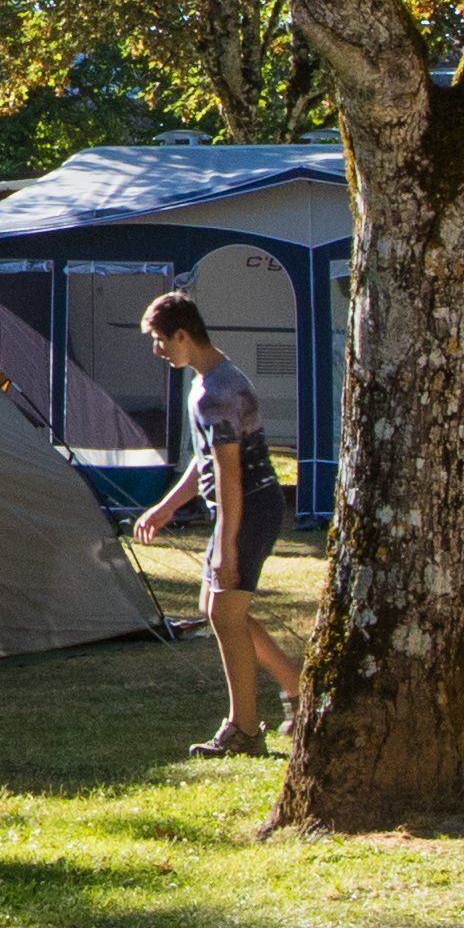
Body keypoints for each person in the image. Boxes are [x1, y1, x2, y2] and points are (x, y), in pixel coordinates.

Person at [131, 289, 287, 757]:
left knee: (224, 611)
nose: (157, 350)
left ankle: (245, 730)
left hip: (250, 507)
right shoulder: (211, 381)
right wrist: (167, 507)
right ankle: (299, 689)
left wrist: (227, 546)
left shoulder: (216, 392)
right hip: (243, 505)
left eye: (161, 340)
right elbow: (205, 463)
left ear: (182, 335)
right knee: (215, 606)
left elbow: (229, 475)